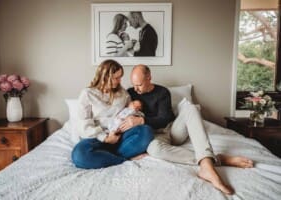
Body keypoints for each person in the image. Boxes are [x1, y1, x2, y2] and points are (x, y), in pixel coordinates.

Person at [119, 64, 254, 195]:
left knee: (191, 108)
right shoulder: (130, 93)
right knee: (154, 149)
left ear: (149, 78)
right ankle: (213, 160)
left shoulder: (162, 92)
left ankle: (206, 165)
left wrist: (142, 120)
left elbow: (164, 119)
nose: (136, 89)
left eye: (139, 85)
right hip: (154, 136)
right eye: (134, 84)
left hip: (172, 130)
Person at [71, 60, 154, 169]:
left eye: (120, 77)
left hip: (120, 136)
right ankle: (124, 158)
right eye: (116, 78)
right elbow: (84, 125)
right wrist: (105, 138)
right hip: (96, 138)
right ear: (105, 76)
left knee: (146, 131)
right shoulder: (88, 94)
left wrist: (134, 116)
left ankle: (106, 156)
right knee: (79, 155)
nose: (120, 81)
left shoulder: (123, 93)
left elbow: (133, 111)